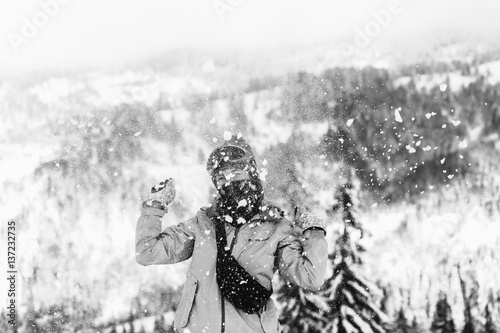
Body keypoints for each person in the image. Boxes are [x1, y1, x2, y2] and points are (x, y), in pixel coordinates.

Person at [135, 135, 328, 333]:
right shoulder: (203, 223)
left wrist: (314, 232)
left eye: (235, 172)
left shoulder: (276, 227)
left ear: (251, 173)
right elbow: (147, 252)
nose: (228, 181)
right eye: (220, 177)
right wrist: (154, 206)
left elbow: (311, 277)